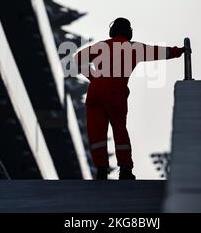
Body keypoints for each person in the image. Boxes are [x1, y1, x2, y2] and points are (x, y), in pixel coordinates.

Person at [74, 18, 185, 180]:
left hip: (95, 93)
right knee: (119, 130)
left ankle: (101, 170)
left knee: (96, 132)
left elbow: (78, 58)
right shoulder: (133, 48)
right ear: (129, 32)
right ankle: (125, 169)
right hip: (115, 94)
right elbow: (158, 52)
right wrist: (179, 51)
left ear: (112, 31)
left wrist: (94, 77)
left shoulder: (102, 46)